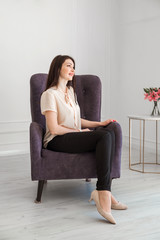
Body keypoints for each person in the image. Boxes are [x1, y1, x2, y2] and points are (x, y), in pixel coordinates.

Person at [40, 55, 127, 224]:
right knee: (103, 136)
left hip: (72, 135)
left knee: (107, 133)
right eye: (68, 66)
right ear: (58, 69)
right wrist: (79, 132)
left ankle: (104, 193)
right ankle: (103, 194)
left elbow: (77, 119)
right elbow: (54, 128)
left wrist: (99, 123)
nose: (73, 69)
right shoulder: (49, 95)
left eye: (74, 66)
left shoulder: (71, 92)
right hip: (56, 140)